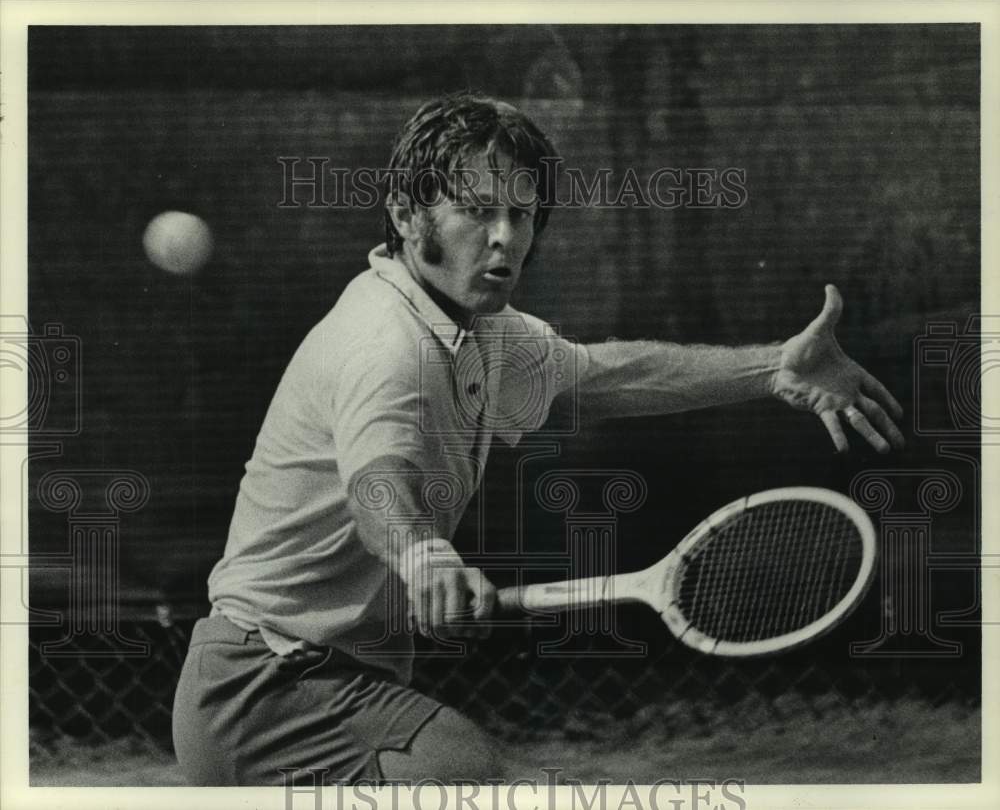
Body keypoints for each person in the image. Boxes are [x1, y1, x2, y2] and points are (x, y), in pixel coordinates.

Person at [172, 92, 905, 786]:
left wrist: (772, 366)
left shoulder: (481, 331)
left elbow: (608, 377)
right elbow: (377, 482)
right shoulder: (384, 344)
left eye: (522, 215)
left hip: (329, 678)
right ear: (404, 211)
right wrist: (425, 557)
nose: (505, 238)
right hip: (266, 687)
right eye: (478, 210)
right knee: (492, 786)